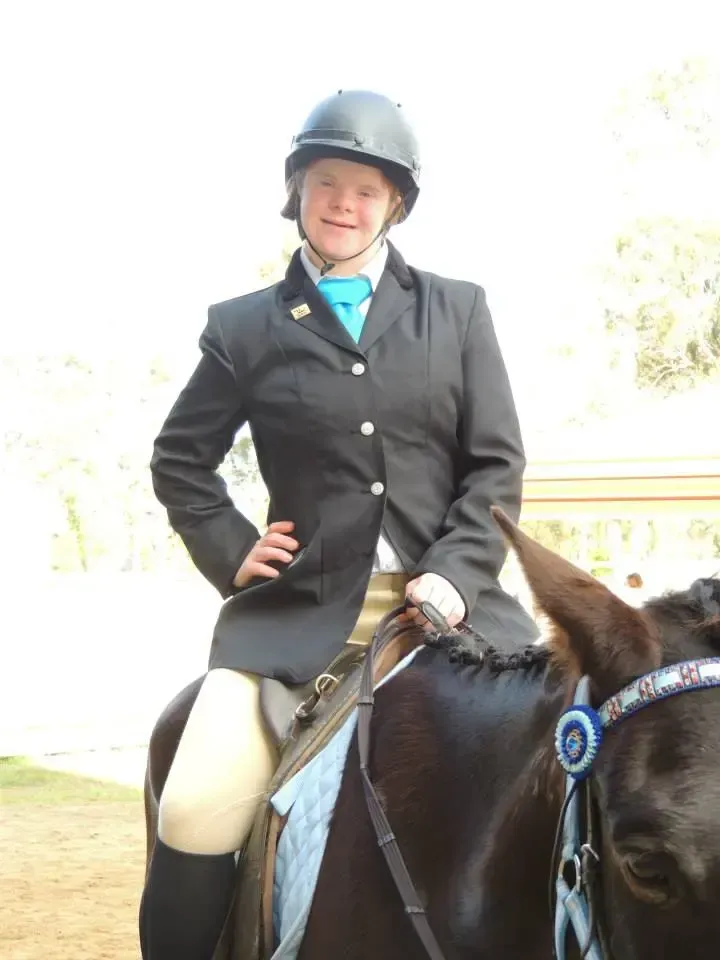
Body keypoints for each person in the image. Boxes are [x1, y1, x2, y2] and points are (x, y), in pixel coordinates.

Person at [139, 88, 539, 960]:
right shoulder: (242, 327)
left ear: (395, 204)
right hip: (297, 618)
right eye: (326, 183)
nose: (344, 205)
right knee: (196, 804)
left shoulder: (458, 310)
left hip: (456, 611)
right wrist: (232, 550)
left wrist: (457, 569)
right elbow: (180, 461)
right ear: (297, 190)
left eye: (366, 190)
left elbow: (496, 466)